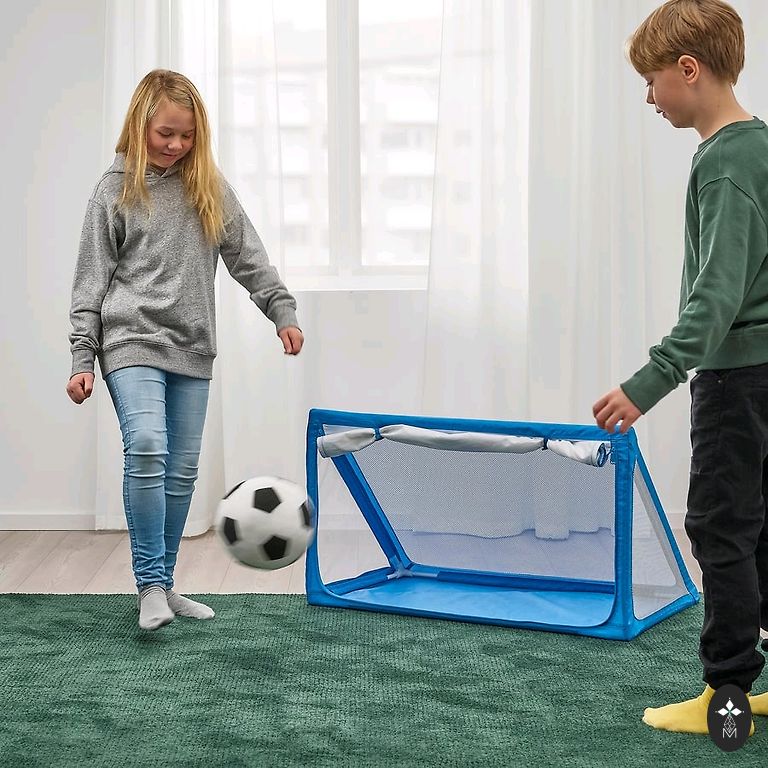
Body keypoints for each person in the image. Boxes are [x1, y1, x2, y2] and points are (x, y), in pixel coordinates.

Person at [66, 69, 304, 632]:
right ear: (140, 125)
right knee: (148, 446)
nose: (175, 144)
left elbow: (249, 257)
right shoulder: (113, 189)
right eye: (165, 133)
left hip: (192, 345)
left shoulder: (208, 187)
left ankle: (165, 585)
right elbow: (90, 280)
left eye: (187, 135)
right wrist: (82, 357)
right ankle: (149, 585)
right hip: (130, 339)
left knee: (181, 470)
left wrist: (282, 311)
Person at [592, 0, 768, 735]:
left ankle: (727, 698)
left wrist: (650, 381)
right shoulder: (760, 147)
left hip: (736, 380)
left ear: (688, 70)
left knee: (719, 529)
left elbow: (717, 294)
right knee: (757, 530)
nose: (648, 97)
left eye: (652, 80)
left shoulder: (725, 160)